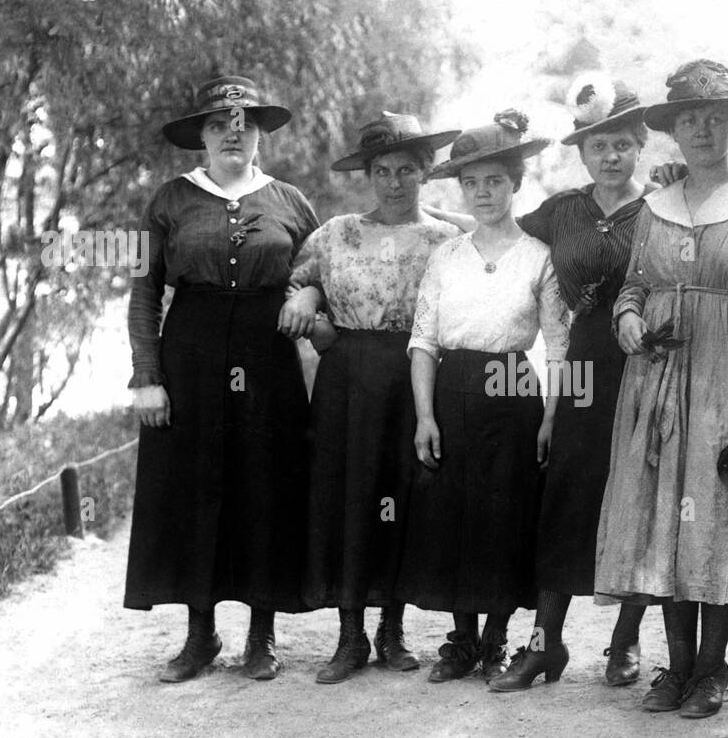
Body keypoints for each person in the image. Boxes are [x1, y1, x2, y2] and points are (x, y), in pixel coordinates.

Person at [595, 61, 728, 718]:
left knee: (715, 518)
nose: (704, 129)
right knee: (663, 521)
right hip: (656, 386)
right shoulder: (654, 206)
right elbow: (633, 286)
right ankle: (675, 667)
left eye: (716, 117)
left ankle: (712, 669)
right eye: (690, 119)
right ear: (674, 131)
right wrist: (627, 319)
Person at [125, 75, 319, 682]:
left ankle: (261, 636)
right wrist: (146, 377)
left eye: (245, 126)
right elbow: (142, 291)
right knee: (194, 486)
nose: (233, 136)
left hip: (268, 358)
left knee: (265, 483)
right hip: (191, 356)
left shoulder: (290, 201)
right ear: (201, 137)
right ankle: (199, 634)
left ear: (260, 136)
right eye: (219, 126)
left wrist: (308, 294)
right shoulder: (167, 201)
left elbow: (318, 272)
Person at [487, 75, 655, 692]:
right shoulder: (563, 210)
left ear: (640, 145)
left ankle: (626, 637)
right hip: (583, 366)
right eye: (596, 147)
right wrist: (427, 221)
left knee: (636, 492)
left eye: (620, 145)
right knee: (566, 492)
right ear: (581, 154)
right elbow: (498, 230)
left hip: (647, 364)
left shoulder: (664, 206)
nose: (609, 157)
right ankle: (544, 642)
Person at [282, 113, 460, 684]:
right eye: (381, 170)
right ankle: (349, 635)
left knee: (401, 493)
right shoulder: (336, 233)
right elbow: (301, 284)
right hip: (348, 378)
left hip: (415, 372)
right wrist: (310, 308)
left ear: (426, 173)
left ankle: (393, 629)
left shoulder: (445, 238)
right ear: (367, 174)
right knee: (349, 495)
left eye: (407, 169)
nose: (393, 182)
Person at [394, 110, 567, 684]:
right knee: (454, 516)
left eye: (495, 180)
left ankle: (496, 639)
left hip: (514, 386)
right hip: (452, 388)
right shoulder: (446, 256)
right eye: (471, 183)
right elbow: (423, 341)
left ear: (516, 184)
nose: (483, 192)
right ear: (460, 190)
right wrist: (424, 416)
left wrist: (549, 418)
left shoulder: (539, 256)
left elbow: (560, 348)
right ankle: (460, 641)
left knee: (502, 514)